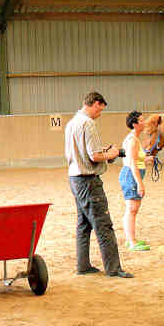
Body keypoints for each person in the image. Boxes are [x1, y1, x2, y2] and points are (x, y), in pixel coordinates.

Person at [64, 91, 131, 278]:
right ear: (95, 103)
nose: (99, 114)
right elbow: (94, 156)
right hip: (88, 181)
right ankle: (114, 269)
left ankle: (83, 265)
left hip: (75, 179)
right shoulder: (88, 124)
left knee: (83, 224)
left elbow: (77, 153)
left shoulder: (71, 124)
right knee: (103, 225)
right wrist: (113, 153)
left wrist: (103, 152)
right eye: (100, 109)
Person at [119, 110, 149, 252]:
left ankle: (131, 239)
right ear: (135, 124)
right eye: (142, 120)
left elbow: (136, 158)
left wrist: (147, 159)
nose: (144, 122)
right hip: (131, 176)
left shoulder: (135, 139)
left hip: (132, 175)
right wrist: (140, 183)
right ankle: (131, 242)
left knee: (132, 209)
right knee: (132, 209)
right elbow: (131, 163)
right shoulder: (132, 140)